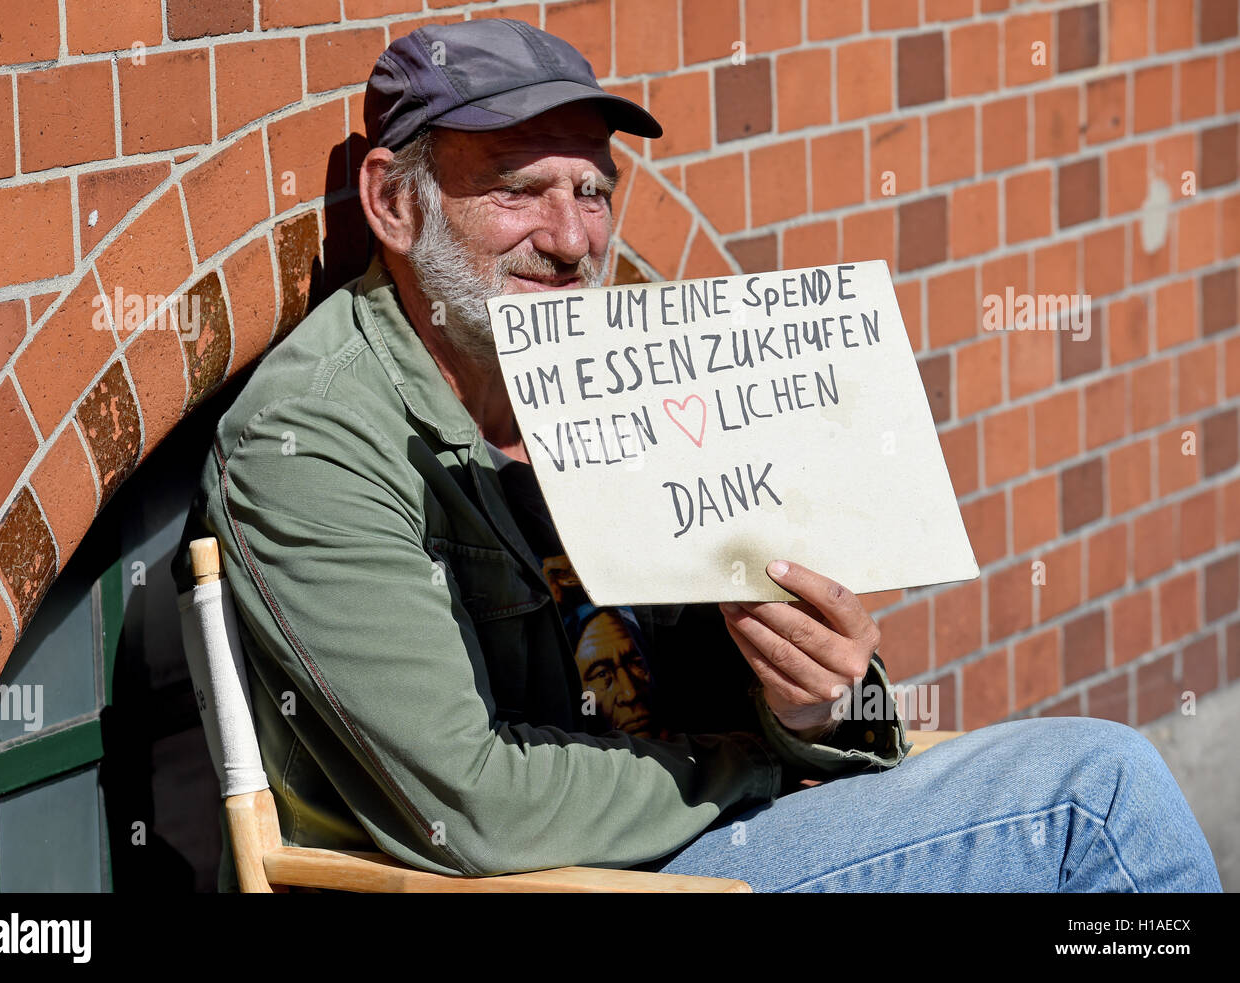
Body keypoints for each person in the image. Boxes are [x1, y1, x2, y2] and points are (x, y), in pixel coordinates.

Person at [174, 18, 1221, 892]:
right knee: (1094, 797)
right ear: (395, 203)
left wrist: (819, 702)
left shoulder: (633, 370)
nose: (572, 238)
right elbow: (475, 808)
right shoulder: (310, 435)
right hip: (576, 880)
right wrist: (756, 765)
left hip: (693, 843)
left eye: (592, 191)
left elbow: (825, 709)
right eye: (517, 187)